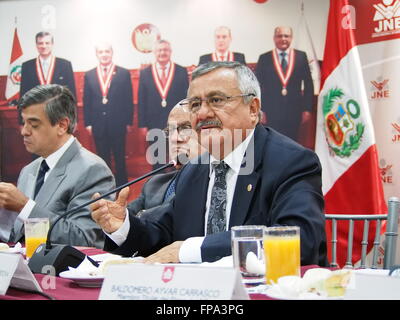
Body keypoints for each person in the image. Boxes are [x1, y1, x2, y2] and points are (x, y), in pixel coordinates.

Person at [91, 61, 327, 266]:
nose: (202, 113)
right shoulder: (194, 170)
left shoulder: (292, 162)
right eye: (194, 104)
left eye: (216, 100)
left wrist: (192, 249)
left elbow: (298, 241)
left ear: (253, 109)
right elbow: (163, 234)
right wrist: (122, 226)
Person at [0, 84, 115, 248]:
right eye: (23, 122)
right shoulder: (28, 171)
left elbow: (85, 240)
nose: (24, 131)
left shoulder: (93, 170)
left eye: (33, 124)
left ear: (62, 125)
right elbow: (16, 236)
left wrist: (25, 206)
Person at [99, 104, 205, 254]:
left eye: (185, 128)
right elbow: (123, 222)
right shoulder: (154, 184)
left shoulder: (212, 185)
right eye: (170, 131)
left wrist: (136, 220)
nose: (175, 139)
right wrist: (120, 224)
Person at [83, 42, 134, 186]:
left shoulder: (123, 73)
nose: (104, 54)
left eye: (107, 51)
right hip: (98, 124)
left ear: (112, 53)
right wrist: (88, 123)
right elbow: (87, 100)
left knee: (119, 157)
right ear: (97, 54)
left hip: (118, 123)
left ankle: (123, 185)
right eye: (101, 52)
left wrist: (129, 121)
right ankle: (107, 184)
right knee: (103, 157)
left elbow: (128, 98)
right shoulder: (90, 75)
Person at [255, 26, 314, 143]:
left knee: (292, 142)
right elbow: (257, 86)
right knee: (272, 142)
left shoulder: (301, 56)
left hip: (295, 111)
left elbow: (308, 83)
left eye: (286, 36)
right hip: (271, 111)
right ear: (274, 38)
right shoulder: (264, 58)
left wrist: (307, 109)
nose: (283, 39)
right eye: (279, 36)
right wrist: (260, 110)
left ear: (291, 38)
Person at [20, 31, 76, 99]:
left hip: (59, 109)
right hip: (36, 109)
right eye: (40, 43)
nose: (44, 46)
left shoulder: (65, 65)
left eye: (47, 43)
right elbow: (24, 95)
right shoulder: (27, 66)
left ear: (52, 44)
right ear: (36, 45)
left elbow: (71, 94)